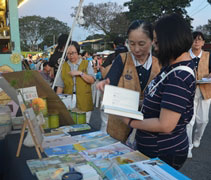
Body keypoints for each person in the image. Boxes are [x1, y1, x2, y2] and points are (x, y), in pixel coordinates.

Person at [119, 14, 195, 170]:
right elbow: (160, 98)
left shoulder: (179, 76)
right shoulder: (171, 67)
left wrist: (131, 122)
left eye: (157, 41)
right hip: (156, 148)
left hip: (164, 151)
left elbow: (165, 124)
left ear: (170, 40)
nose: (155, 46)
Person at [97, 20, 160, 134]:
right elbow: (110, 84)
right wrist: (105, 86)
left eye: (141, 44)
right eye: (132, 43)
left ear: (152, 41)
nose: (136, 49)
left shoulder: (159, 64)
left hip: (148, 127)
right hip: (120, 124)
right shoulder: (122, 59)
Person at [55, 41, 95, 123]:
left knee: (85, 123)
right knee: (70, 122)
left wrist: (80, 73)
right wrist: (57, 101)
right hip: (69, 99)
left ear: (78, 52)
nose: (71, 55)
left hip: (84, 99)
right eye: (68, 53)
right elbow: (60, 86)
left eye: (73, 53)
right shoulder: (64, 66)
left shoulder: (86, 64)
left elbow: (92, 80)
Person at [186, 31, 211, 158]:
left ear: (203, 42)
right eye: (194, 39)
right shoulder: (185, 56)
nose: (196, 41)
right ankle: (188, 146)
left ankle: (198, 138)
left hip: (205, 90)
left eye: (199, 39)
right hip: (189, 91)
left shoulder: (208, 56)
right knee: (189, 121)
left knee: (203, 120)